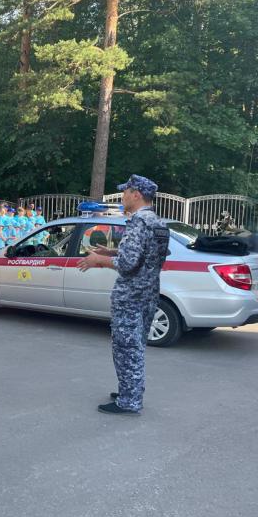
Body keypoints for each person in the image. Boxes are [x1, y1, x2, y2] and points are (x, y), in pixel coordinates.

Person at [79, 175, 170, 416]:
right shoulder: (157, 222)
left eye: (126, 192)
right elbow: (147, 254)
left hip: (130, 295)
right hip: (148, 293)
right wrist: (111, 250)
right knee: (135, 344)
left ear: (136, 194)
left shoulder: (139, 222)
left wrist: (99, 259)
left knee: (127, 347)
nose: (123, 196)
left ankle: (129, 401)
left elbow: (129, 263)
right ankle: (129, 391)